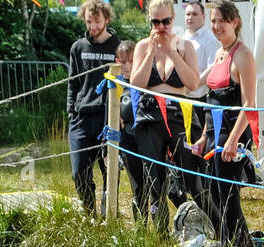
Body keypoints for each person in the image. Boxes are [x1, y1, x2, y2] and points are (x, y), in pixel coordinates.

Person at [192, 1, 257, 247]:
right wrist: (203, 136)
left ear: (234, 22)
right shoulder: (219, 53)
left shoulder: (243, 55)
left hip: (234, 132)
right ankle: (236, 244)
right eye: (213, 21)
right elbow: (211, 99)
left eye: (221, 21)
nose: (216, 26)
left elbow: (250, 104)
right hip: (214, 132)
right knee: (216, 193)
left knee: (228, 195)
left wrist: (233, 140)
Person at [129, 0, 201, 231]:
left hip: (179, 113)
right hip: (150, 114)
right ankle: (161, 234)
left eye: (166, 21)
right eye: (155, 21)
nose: (161, 26)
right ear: (149, 21)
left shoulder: (185, 46)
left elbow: (193, 83)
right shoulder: (142, 46)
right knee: (154, 180)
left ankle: (207, 224)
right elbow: (136, 85)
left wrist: (171, 52)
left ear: (173, 19)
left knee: (192, 176)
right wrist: (151, 52)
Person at [67, 0, 122, 215]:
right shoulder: (78, 47)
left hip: (109, 117)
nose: (93, 26)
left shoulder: (118, 46)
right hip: (82, 117)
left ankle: (107, 213)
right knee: (78, 172)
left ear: (106, 19)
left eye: (97, 21)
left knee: (111, 171)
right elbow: (72, 82)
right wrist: (71, 111)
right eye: (89, 22)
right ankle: (89, 212)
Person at [115, 39, 148, 220]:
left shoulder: (146, 81)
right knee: (138, 187)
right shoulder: (115, 84)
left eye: (131, 61)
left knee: (158, 186)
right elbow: (111, 118)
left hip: (149, 138)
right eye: (123, 61)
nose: (127, 66)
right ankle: (140, 230)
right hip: (128, 141)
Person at [178, 0, 219, 85]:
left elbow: (212, 68)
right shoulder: (181, 37)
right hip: (179, 93)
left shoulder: (210, 39)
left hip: (196, 96)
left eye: (194, 14)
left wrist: (193, 86)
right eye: (188, 14)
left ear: (203, 17)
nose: (190, 17)